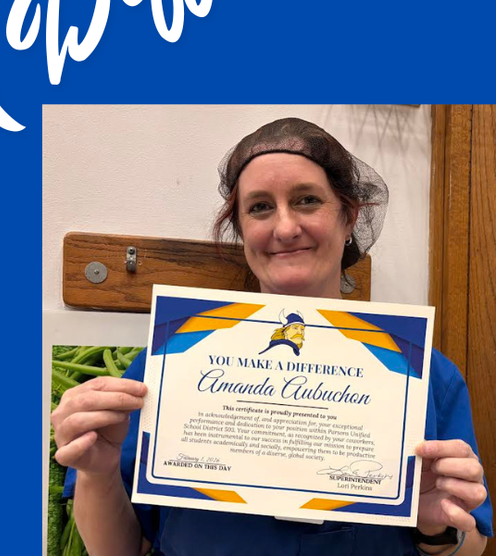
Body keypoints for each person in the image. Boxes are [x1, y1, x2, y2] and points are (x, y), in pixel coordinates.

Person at [51, 118, 492, 556]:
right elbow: (119, 550)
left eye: (306, 200)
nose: (284, 228)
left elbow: (472, 546)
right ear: (242, 229)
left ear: (349, 215)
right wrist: (97, 471)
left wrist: (437, 529)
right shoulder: (167, 364)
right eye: (260, 207)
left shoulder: (426, 378)